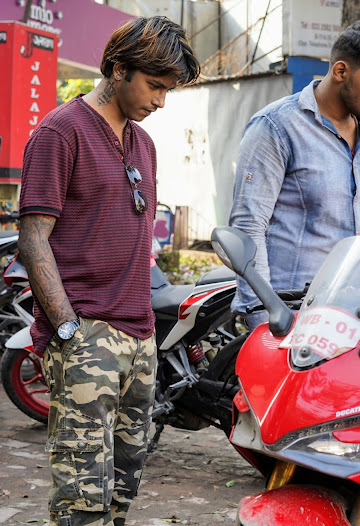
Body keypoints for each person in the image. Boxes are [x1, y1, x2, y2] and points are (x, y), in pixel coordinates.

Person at [17, 16, 199, 526]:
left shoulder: (143, 143)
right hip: (87, 331)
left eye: (169, 89)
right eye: (155, 85)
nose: (161, 100)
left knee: (124, 481)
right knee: (82, 494)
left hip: (139, 332)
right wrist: (69, 329)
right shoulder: (60, 131)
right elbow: (34, 238)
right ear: (118, 69)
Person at [229, 20, 360, 328]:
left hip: (355, 313)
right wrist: (264, 318)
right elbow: (248, 225)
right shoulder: (276, 127)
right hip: (293, 312)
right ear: (341, 72)